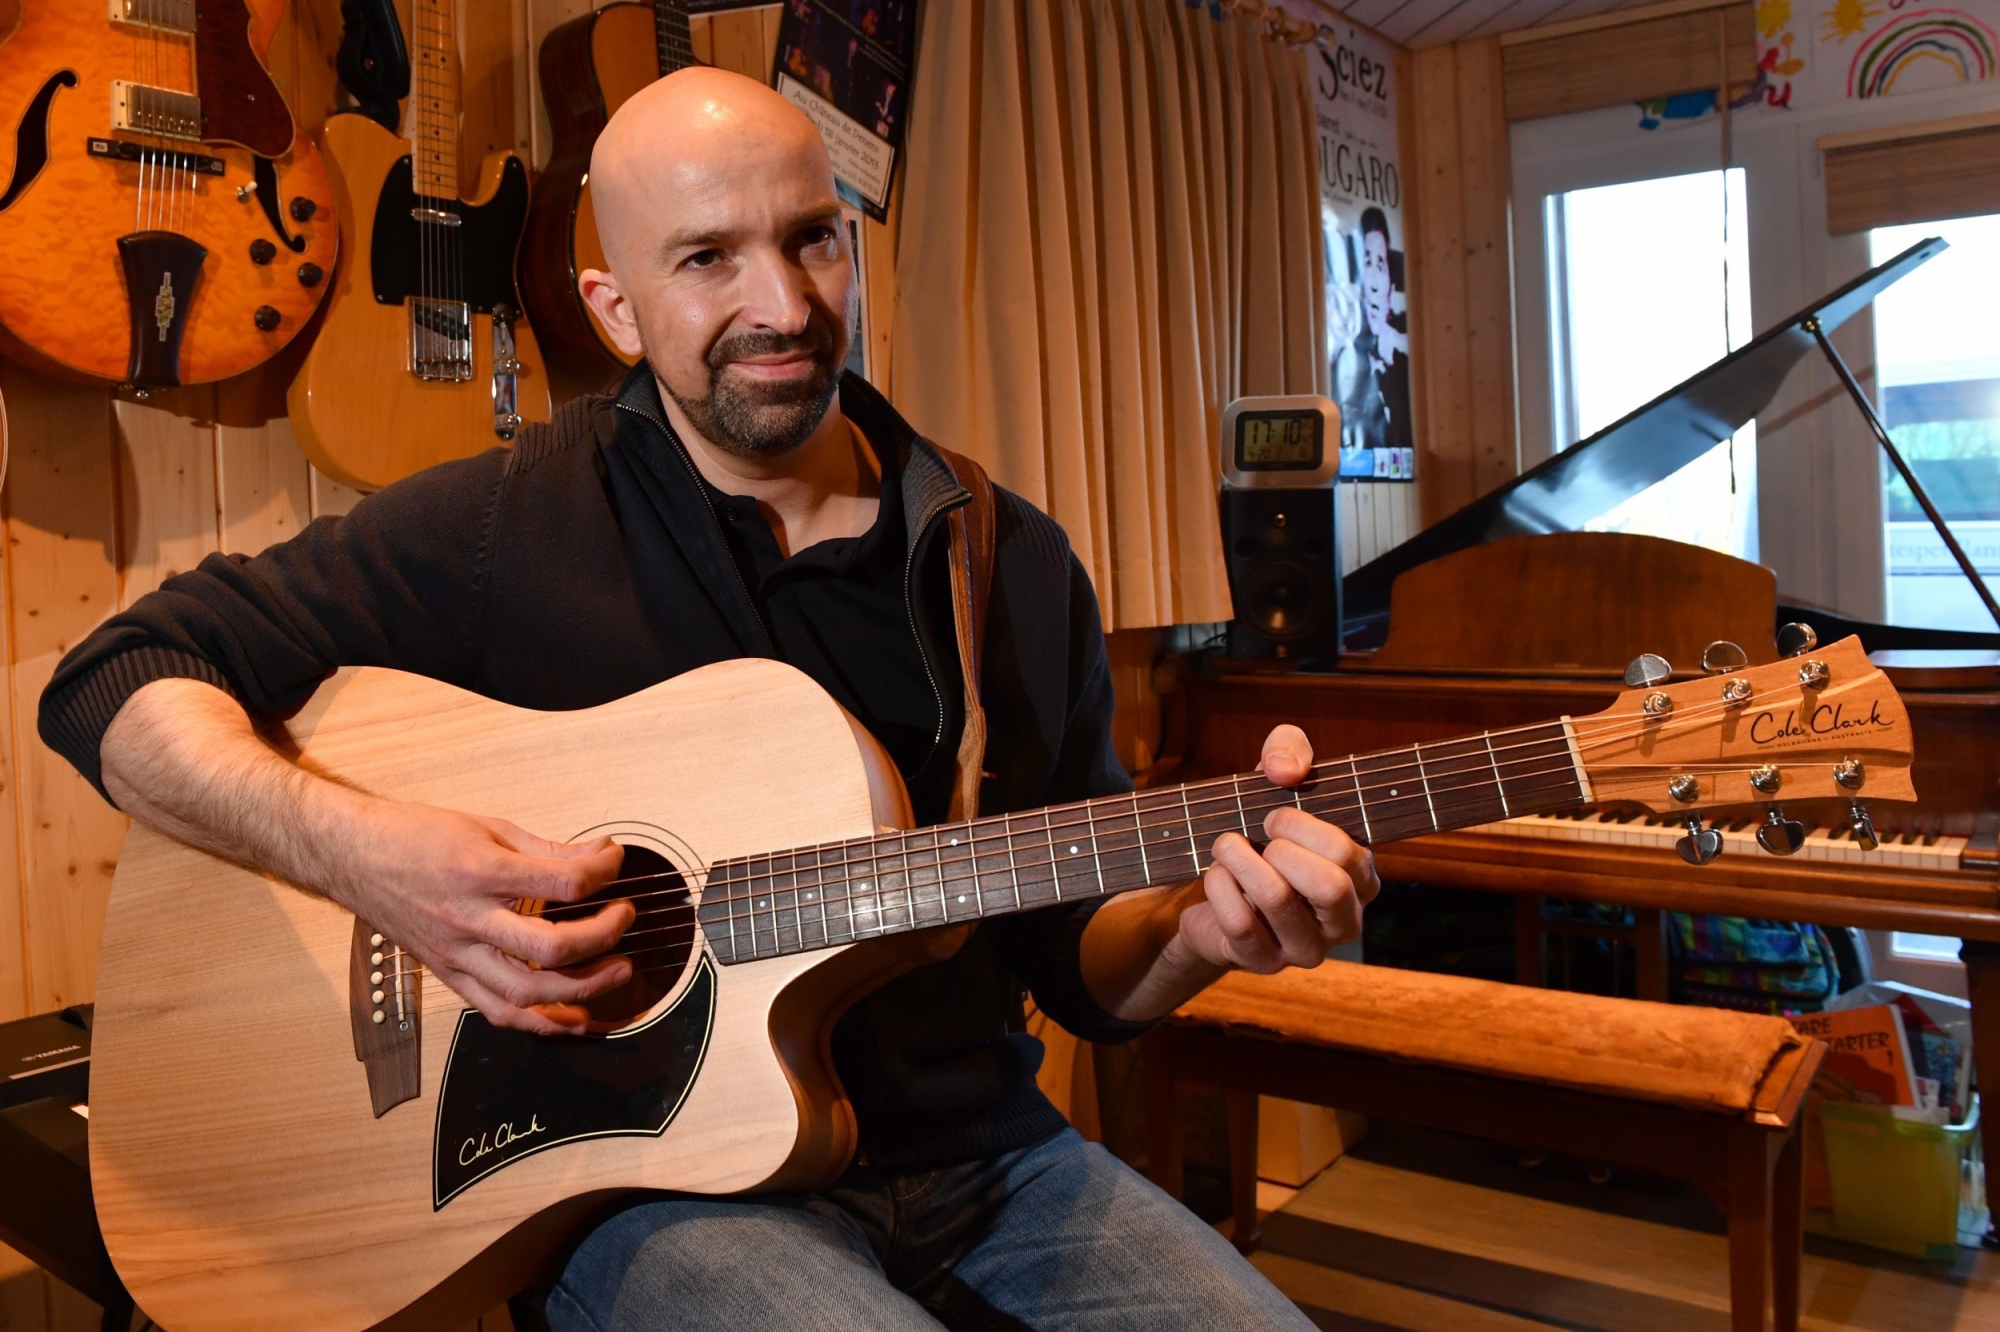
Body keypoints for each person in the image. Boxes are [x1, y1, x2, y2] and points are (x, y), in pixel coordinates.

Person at [40, 69, 1377, 1331]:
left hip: (993, 1168)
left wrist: (1202, 934)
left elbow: (1079, 969)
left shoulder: (1003, 560)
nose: (783, 305)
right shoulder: (509, 526)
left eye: (811, 239)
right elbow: (114, 678)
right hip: (649, 1199)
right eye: (706, 259)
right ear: (614, 308)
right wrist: (370, 857)